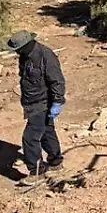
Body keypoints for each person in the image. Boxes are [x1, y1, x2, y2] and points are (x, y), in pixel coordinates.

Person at [8, 30, 66, 184]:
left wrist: (57, 102)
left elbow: (57, 81)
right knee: (46, 131)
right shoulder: (24, 57)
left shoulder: (46, 56)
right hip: (31, 102)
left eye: (19, 49)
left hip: (42, 102)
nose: (17, 52)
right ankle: (56, 161)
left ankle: (37, 171)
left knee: (30, 137)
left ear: (27, 44)